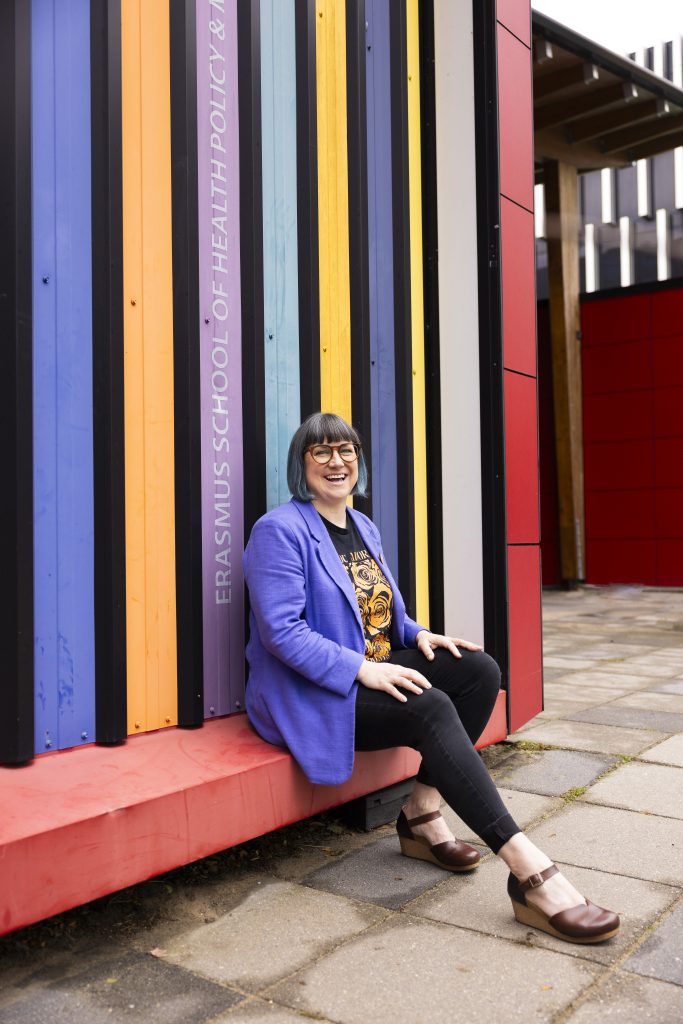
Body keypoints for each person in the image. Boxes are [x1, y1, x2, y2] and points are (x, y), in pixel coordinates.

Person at [244, 412, 619, 944]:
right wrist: (362, 669)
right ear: (300, 465)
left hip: (374, 666)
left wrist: (420, 634)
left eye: (346, 450)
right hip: (318, 689)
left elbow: (386, 614)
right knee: (431, 706)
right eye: (320, 451)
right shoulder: (278, 531)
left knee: (478, 671)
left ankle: (420, 812)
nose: (336, 461)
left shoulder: (362, 526)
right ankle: (527, 869)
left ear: (358, 461)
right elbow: (281, 632)